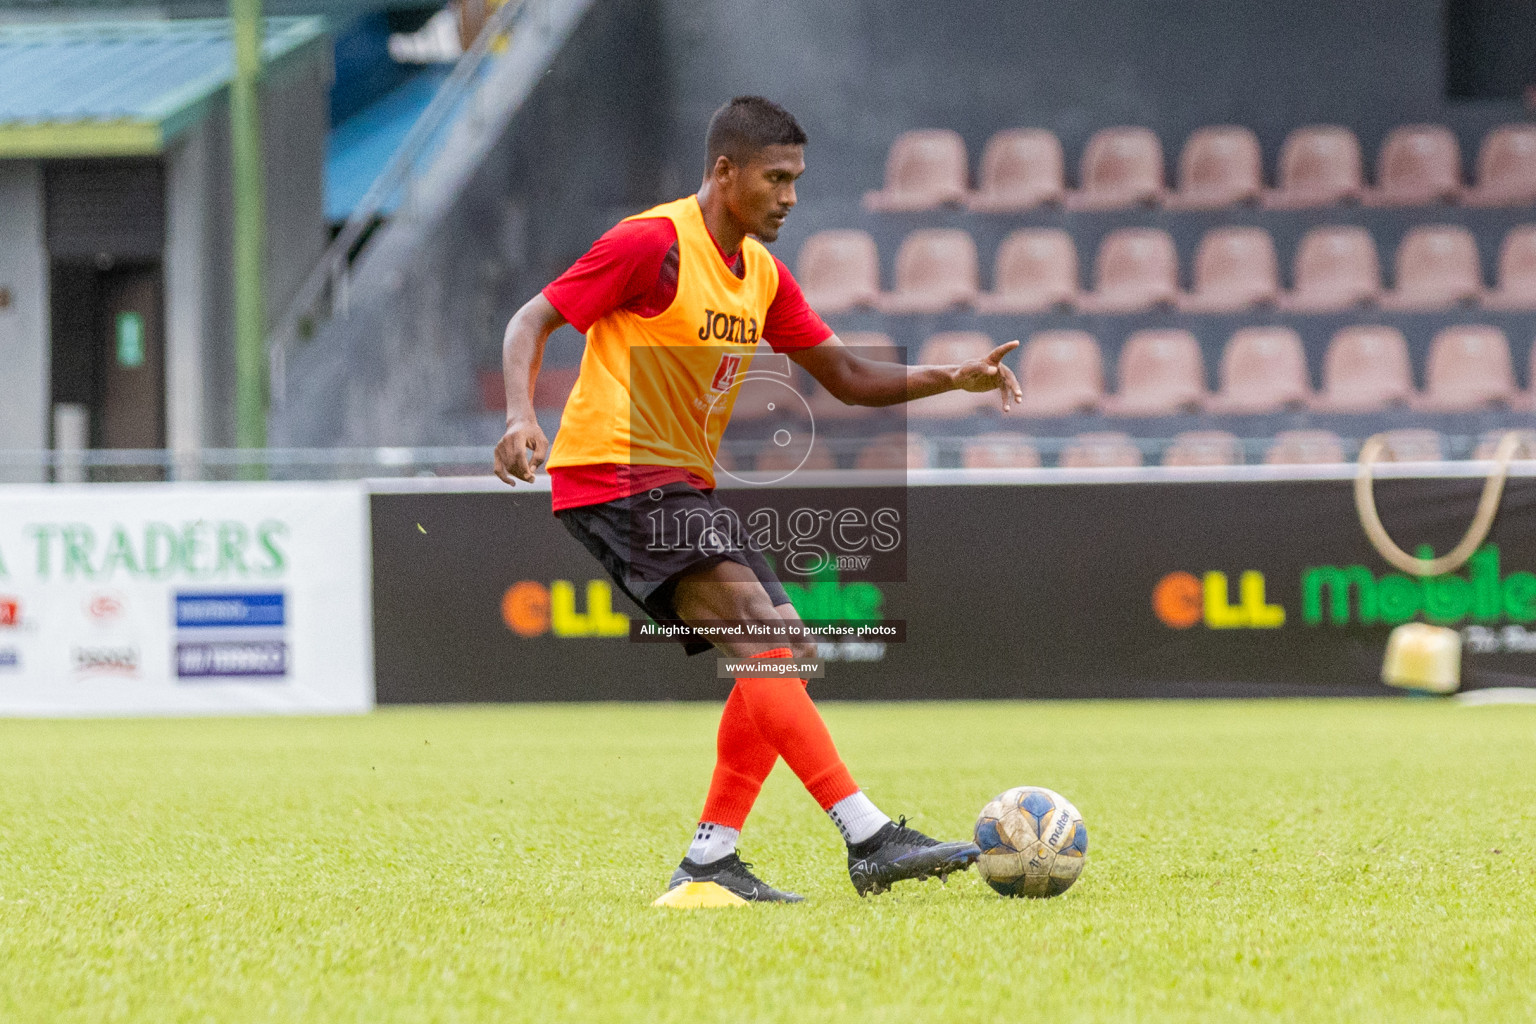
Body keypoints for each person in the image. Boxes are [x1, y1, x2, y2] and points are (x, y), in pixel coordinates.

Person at [494, 96, 1022, 902]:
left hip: (675, 483)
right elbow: (532, 320)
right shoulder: (651, 244)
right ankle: (869, 835)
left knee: (786, 654)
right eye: (777, 178)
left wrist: (950, 377)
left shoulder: (764, 277)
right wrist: (521, 418)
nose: (791, 196)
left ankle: (711, 861)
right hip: (614, 471)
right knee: (766, 638)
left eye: (797, 179)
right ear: (724, 172)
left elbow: (846, 376)